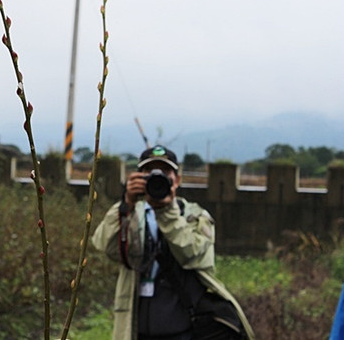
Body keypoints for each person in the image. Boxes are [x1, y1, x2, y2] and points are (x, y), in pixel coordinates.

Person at [91, 145, 253, 339]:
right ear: (138, 178)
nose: (156, 177)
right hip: (136, 328)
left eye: (165, 172)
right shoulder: (131, 213)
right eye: (149, 172)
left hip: (184, 329)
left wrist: (167, 213)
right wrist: (126, 203)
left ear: (177, 180)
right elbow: (105, 246)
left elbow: (193, 255)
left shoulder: (195, 215)